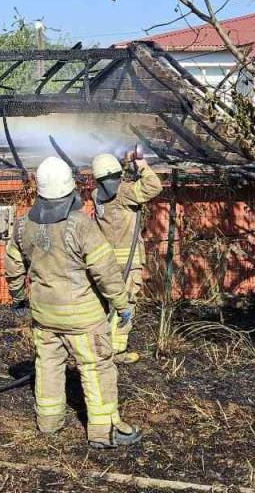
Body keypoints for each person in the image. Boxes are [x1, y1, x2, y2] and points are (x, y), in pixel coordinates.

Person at [5, 156, 143, 449]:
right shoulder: (81, 225)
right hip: (83, 319)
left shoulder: (22, 226)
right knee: (97, 367)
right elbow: (105, 270)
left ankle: (49, 421)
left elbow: (14, 264)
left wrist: (18, 296)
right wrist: (121, 303)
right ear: (70, 188)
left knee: (48, 365)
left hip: (44, 316)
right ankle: (104, 432)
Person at [90, 150, 163, 364]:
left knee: (104, 304)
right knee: (126, 304)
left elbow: (112, 179)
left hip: (105, 262)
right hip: (127, 264)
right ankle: (116, 351)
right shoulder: (124, 192)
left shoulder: (97, 195)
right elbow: (154, 186)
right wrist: (140, 164)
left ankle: (98, 347)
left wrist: (124, 163)